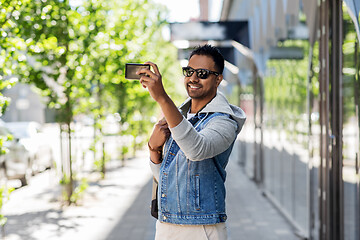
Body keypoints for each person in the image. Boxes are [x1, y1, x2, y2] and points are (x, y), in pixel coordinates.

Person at [137, 44, 246, 240]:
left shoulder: (224, 122)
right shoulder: (180, 117)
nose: (193, 78)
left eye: (202, 73)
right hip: (166, 224)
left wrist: (162, 98)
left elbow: (197, 149)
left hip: (201, 228)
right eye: (189, 71)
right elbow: (167, 177)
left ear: (218, 79)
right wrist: (154, 149)